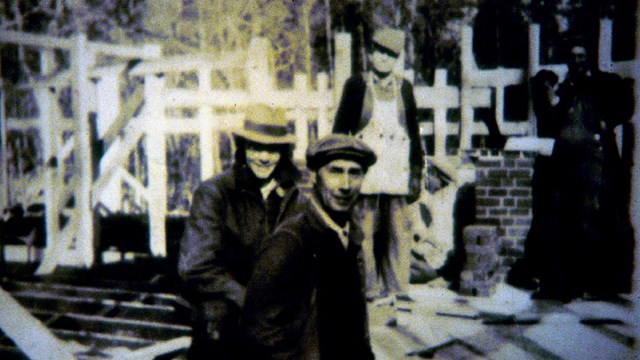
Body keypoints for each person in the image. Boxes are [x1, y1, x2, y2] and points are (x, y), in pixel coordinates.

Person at [177, 105, 304, 359]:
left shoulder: (294, 196)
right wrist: (249, 300)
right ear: (243, 148)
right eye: (256, 147)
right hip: (230, 308)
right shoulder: (215, 193)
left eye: (272, 149)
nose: (264, 157)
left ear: (283, 152)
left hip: (276, 312)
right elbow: (195, 266)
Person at [242, 134, 377, 360]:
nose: (345, 185)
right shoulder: (290, 241)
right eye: (335, 171)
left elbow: (355, 328)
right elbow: (260, 334)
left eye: (354, 173)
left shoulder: (351, 236)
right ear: (315, 175)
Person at [533, 38, 634, 301]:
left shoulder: (602, 83)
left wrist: (606, 122)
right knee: (563, 221)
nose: (576, 60)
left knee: (590, 221)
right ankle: (565, 285)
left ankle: (596, 284)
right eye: (573, 56)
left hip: (593, 164)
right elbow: (552, 119)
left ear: (588, 58)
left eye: (581, 56)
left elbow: (626, 105)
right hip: (565, 163)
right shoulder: (565, 87)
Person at [332, 26, 424, 296]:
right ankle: (368, 290)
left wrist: (416, 173)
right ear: (371, 54)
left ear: (396, 59)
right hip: (366, 175)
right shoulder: (356, 84)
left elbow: (414, 133)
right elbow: (340, 131)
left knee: (398, 233)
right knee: (364, 233)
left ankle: (397, 290)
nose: (383, 58)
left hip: (397, 172)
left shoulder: (405, 88)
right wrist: (342, 171)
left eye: (390, 54)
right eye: (379, 52)